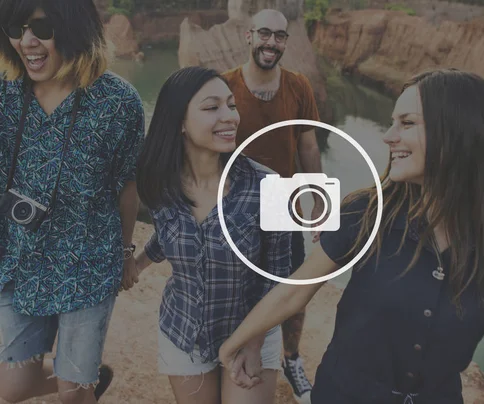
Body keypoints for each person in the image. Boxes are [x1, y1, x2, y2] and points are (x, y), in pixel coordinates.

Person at [218, 68, 484, 403]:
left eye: (406, 123)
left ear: (457, 131)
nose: (389, 136)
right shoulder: (365, 211)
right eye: (392, 123)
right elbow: (295, 289)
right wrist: (241, 340)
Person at [0, 0, 145, 403]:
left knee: (73, 395)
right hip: (18, 261)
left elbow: (127, 184)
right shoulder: (5, 95)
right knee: (11, 387)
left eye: (42, 28)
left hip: (88, 262)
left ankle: (79, 382)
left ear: (75, 28)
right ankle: (81, 377)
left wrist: (126, 251)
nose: (27, 41)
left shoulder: (119, 103)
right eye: (17, 27)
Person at [128, 66, 292, 404]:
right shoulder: (159, 184)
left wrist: (254, 341)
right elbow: (168, 234)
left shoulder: (270, 185)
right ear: (180, 123)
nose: (230, 116)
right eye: (211, 107)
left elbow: (278, 276)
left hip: (251, 331)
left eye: (231, 105)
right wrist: (138, 263)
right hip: (183, 332)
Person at [221, 9, 323, 403]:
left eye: (280, 36)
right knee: (236, 286)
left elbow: (309, 146)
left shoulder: (298, 87)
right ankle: (232, 353)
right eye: (265, 34)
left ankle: (291, 358)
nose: (271, 43)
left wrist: (319, 204)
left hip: (283, 202)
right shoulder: (226, 86)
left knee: (293, 290)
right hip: (234, 203)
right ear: (249, 36)